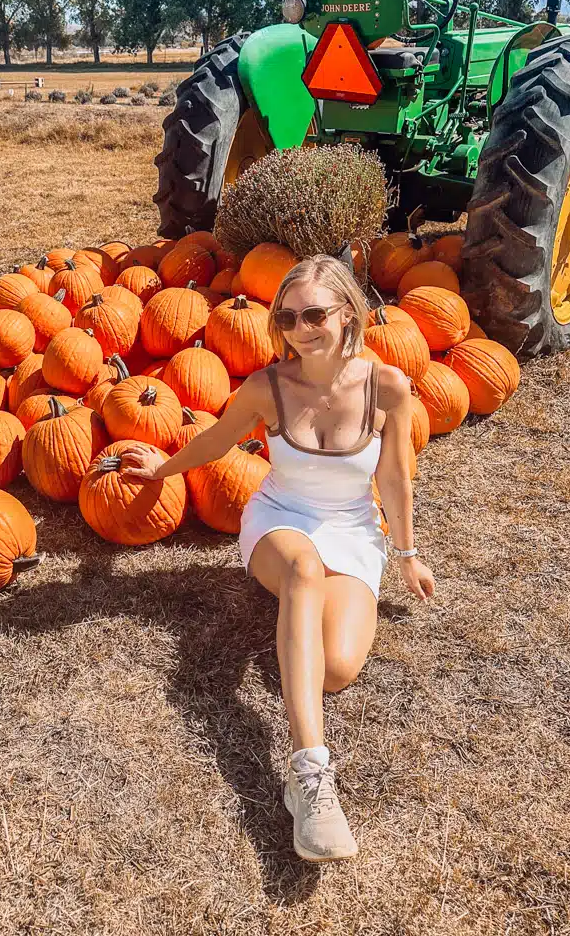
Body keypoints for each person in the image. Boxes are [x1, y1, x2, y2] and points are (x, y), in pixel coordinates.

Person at [122, 253, 435, 863]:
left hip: (351, 528)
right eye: (287, 318)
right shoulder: (267, 386)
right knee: (302, 570)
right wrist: (160, 467)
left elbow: (396, 480)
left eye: (314, 313)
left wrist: (405, 555)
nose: (300, 328)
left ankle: (298, 639)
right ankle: (310, 775)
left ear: (348, 313)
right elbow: (217, 438)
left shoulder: (389, 387)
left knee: (338, 670)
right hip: (279, 522)